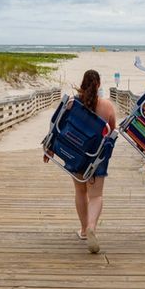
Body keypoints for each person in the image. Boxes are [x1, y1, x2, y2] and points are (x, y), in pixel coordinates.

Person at [43, 69, 116, 253]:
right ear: (98, 84)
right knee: (96, 195)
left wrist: (49, 149)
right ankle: (92, 226)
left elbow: (58, 127)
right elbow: (112, 133)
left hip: (75, 155)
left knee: (80, 191)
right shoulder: (107, 106)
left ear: (82, 84)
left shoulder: (71, 103)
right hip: (95, 157)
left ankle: (84, 230)